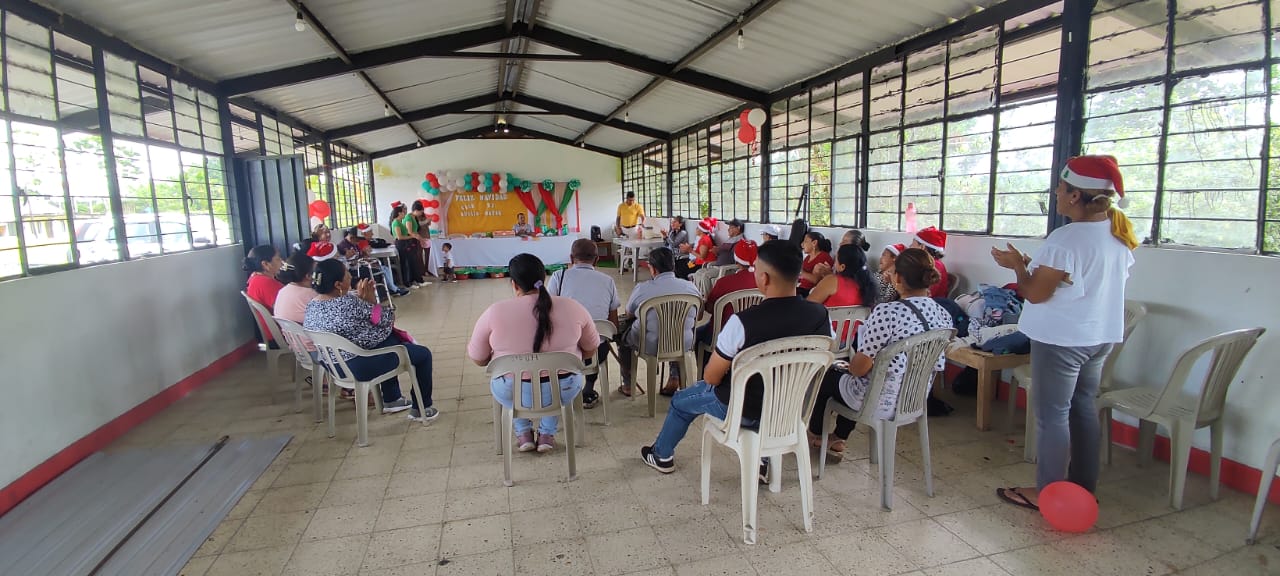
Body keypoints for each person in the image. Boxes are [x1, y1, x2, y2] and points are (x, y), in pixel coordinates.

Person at [991, 155, 1138, 512]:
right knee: (1083, 408)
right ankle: (1083, 486)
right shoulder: (1117, 232)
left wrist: (1018, 267)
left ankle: (1048, 492)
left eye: (1060, 188)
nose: (1055, 193)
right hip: (1099, 336)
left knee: (1052, 416)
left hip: (1063, 341)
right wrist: (1031, 265)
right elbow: (1076, 281)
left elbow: (1035, 293)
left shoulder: (1066, 238)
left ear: (1075, 196)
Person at [641, 240, 833, 474]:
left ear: (764, 278)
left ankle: (661, 456)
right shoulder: (820, 315)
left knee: (681, 401)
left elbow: (711, 378)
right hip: (790, 410)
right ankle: (763, 460)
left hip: (744, 410)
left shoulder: (742, 322)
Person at [806, 248, 951, 459]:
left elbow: (858, 369)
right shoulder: (943, 314)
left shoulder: (888, 312)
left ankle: (817, 434)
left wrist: (853, 365)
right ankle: (838, 437)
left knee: (827, 376)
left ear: (898, 277)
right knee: (851, 378)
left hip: (879, 401)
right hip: (914, 399)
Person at [468, 253, 600, 452]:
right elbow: (590, 350)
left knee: (511, 381)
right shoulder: (573, 307)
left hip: (513, 392)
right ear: (544, 278)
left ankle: (523, 433)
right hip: (563, 390)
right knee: (556, 379)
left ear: (514, 284)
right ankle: (546, 434)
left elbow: (478, 359)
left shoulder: (495, 312)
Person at [304, 259, 439, 420]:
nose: (350, 276)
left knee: (388, 340)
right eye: (346, 274)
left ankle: (393, 399)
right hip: (357, 366)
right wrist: (371, 302)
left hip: (334, 366)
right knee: (423, 354)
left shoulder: (312, 305)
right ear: (338, 284)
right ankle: (421, 408)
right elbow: (387, 318)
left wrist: (363, 303)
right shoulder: (348, 303)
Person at [617, 247, 702, 397]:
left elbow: (629, 314)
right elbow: (699, 316)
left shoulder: (642, 289)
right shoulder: (691, 287)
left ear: (653, 269)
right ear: (673, 266)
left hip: (650, 344)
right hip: (684, 342)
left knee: (622, 335)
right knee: (675, 328)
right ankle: (675, 377)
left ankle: (629, 384)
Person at [547, 239, 621, 409]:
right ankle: (588, 388)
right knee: (599, 340)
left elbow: (547, 311)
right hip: (596, 352)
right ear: (597, 260)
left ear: (571, 258)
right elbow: (613, 323)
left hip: (565, 353)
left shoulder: (559, 276)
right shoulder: (608, 280)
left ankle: (563, 389)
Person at [808, 243, 878, 308]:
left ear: (842, 267)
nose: (834, 264)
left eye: (835, 260)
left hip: (830, 318)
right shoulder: (869, 285)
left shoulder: (831, 281)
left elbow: (808, 306)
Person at [355, 224, 410, 297]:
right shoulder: (362, 242)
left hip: (368, 263)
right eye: (370, 232)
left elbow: (368, 251)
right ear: (365, 233)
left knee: (385, 268)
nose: (372, 234)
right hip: (365, 265)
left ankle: (393, 288)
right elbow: (366, 254)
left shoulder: (365, 241)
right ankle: (394, 289)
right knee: (384, 269)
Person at [274, 251, 318, 324]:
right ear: (308, 276)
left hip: (287, 331)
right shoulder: (312, 295)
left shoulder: (283, 291)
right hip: (308, 331)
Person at [390, 202, 426, 288]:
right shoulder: (396, 222)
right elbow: (399, 237)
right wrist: (411, 237)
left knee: (410, 262)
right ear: (399, 213)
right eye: (403, 212)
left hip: (405, 243)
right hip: (401, 244)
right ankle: (407, 283)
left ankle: (413, 281)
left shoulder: (400, 222)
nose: (405, 213)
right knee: (405, 264)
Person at [911, 226, 949, 298]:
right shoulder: (925, 263)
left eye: (913, 243)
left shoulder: (935, 265)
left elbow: (927, 293)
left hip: (932, 303)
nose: (910, 246)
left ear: (922, 247)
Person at [244, 244, 284, 310]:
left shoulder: (253, 278)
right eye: (277, 259)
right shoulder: (267, 283)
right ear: (265, 264)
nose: (282, 262)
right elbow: (285, 308)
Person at [797, 231, 833, 297]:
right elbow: (803, 277)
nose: (802, 244)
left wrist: (799, 271)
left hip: (811, 292)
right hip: (801, 288)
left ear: (814, 243)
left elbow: (815, 280)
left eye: (805, 241)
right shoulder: (807, 258)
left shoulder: (824, 257)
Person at [414, 200, 434, 279]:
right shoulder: (414, 217)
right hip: (419, 237)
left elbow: (427, 224)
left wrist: (429, 222)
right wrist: (426, 221)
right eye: (420, 210)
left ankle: (427, 269)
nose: (422, 212)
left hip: (427, 236)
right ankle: (421, 270)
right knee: (419, 255)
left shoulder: (423, 216)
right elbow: (418, 224)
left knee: (428, 254)